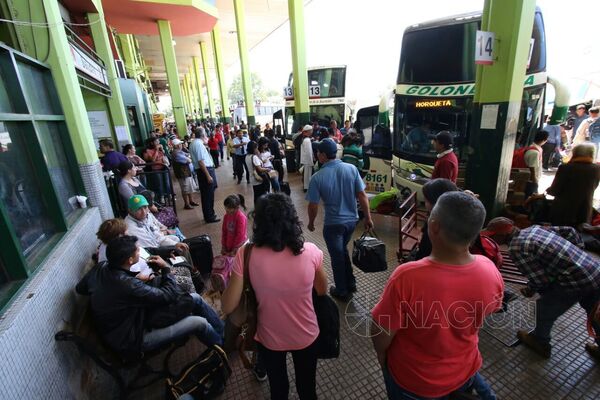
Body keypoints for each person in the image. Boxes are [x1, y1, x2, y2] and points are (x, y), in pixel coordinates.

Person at [371, 192, 503, 400]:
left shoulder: (407, 277)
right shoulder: (489, 269)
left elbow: (382, 330)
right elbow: (491, 308)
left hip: (415, 381)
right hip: (464, 371)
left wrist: (382, 356)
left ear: (433, 226)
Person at [221, 193, 328, 400]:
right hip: (306, 335)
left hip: (269, 338)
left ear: (258, 221)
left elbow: (227, 306)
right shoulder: (312, 252)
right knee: (307, 389)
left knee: (278, 390)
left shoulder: (246, 253)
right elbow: (322, 290)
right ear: (292, 219)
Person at [76, 235, 224, 355]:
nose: (139, 253)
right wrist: (166, 269)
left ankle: (222, 330)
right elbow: (167, 296)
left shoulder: (102, 267)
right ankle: (221, 347)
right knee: (199, 322)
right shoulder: (127, 285)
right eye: (137, 252)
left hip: (134, 319)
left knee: (196, 298)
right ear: (130, 260)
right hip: (133, 338)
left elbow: (80, 288)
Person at [482, 218, 600, 360]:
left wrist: (530, 289)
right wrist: (576, 254)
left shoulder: (517, 248)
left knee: (544, 308)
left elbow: (541, 280)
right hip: (594, 270)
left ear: (503, 234)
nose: (492, 239)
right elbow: (571, 231)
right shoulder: (534, 228)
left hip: (575, 281)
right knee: (594, 312)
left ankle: (540, 341)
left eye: (493, 236)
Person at [306, 138, 374, 301]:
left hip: (333, 226)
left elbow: (313, 205)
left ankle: (342, 290)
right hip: (351, 222)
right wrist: (368, 218)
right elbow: (362, 195)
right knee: (342, 250)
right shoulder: (351, 169)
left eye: (318, 153)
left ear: (322, 155)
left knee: (337, 257)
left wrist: (310, 222)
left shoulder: (317, 177)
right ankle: (351, 282)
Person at [189, 133, 220, 223]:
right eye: (205, 136)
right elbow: (201, 162)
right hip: (205, 171)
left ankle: (209, 214)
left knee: (207, 194)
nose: (207, 138)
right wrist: (208, 175)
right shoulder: (198, 144)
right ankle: (209, 216)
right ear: (203, 135)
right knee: (208, 195)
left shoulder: (194, 143)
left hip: (204, 170)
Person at [171, 139, 200, 210]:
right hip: (182, 174)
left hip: (187, 172)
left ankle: (191, 201)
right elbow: (189, 160)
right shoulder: (176, 153)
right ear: (177, 145)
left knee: (189, 188)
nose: (181, 145)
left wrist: (187, 154)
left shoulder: (179, 151)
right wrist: (189, 158)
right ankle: (186, 204)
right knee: (185, 189)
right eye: (180, 144)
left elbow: (188, 155)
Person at [523, 130, 548, 198]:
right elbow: (532, 167)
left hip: (531, 179)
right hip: (531, 180)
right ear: (544, 140)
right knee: (531, 198)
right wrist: (535, 181)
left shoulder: (534, 148)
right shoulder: (534, 152)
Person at [300, 125, 315, 192]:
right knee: (308, 175)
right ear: (308, 131)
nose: (312, 131)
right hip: (308, 160)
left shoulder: (305, 139)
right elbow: (309, 152)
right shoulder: (307, 140)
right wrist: (311, 161)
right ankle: (307, 187)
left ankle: (306, 187)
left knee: (306, 174)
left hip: (305, 160)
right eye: (311, 130)